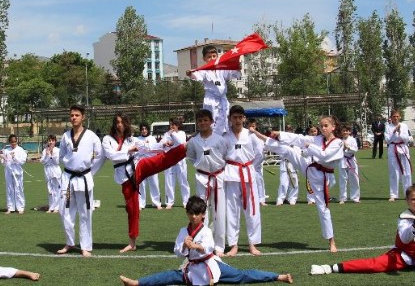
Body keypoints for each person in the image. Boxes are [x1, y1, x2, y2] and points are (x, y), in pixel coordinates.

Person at [119, 196, 293, 286]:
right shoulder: (183, 231)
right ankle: (137, 283)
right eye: (190, 213)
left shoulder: (206, 230)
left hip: (211, 265)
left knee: (242, 276)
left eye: (197, 214)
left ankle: (279, 277)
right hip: (193, 267)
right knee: (169, 276)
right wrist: (184, 247)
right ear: (187, 213)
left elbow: (209, 248)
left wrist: (195, 246)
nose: (193, 216)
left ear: (203, 214)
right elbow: (177, 252)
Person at [251, 116, 343, 253]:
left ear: (333, 127)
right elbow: (299, 139)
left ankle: (331, 241)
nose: (323, 128)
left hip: (322, 177)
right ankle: (262, 137)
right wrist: (280, 134)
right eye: (321, 126)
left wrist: (309, 147)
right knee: (288, 150)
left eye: (326, 126)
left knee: (323, 208)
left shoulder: (338, 143)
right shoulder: (317, 139)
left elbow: (324, 156)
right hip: (309, 167)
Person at [102, 112, 188, 253]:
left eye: (122, 122)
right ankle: (132, 242)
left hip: (137, 167)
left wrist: (163, 145)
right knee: (132, 208)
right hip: (125, 177)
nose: (120, 125)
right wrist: (129, 151)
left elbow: (147, 147)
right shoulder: (107, 139)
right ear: (114, 124)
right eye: (117, 122)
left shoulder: (130, 139)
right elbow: (111, 155)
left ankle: (184, 148)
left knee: (161, 161)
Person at [57, 105, 106, 257]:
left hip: (84, 177)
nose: (74, 118)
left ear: (83, 117)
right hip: (68, 178)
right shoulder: (65, 136)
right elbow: (61, 156)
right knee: (64, 211)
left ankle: (85, 246)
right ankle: (69, 242)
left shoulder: (92, 136)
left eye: (77, 115)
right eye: (71, 115)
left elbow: (100, 155)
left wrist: (90, 172)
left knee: (85, 213)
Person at [222, 105, 264, 256]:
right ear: (230, 119)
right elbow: (221, 156)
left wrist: (251, 167)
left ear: (244, 118)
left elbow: (259, 154)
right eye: (235, 117)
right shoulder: (225, 137)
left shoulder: (251, 135)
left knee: (252, 209)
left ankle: (252, 244)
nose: (238, 120)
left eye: (240, 117)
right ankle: (234, 244)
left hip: (248, 173)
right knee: (231, 210)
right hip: (231, 174)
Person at [186, 109, 229, 256]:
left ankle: (219, 246)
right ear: (197, 123)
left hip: (218, 177)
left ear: (211, 122)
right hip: (202, 177)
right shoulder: (193, 141)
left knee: (219, 211)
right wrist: (201, 164)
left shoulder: (220, 140)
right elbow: (191, 157)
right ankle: (203, 243)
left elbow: (225, 155)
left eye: (206, 120)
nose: (203, 123)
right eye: (200, 121)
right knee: (201, 212)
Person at [186, 45, 241, 135]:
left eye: (214, 56)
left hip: (223, 100)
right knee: (211, 121)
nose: (212, 58)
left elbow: (232, 73)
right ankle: (211, 138)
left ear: (217, 57)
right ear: (204, 58)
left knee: (225, 120)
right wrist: (190, 73)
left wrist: (237, 68)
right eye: (209, 57)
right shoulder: (204, 71)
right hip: (211, 100)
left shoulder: (221, 69)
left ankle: (225, 136)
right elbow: (196, 74)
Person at [384, 110, 413, 202]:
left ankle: (407, 194)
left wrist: (400, 133)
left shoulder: (404, 126)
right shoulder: (388, 127)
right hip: (393, 148)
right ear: (391, 117)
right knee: (394, 172)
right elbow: (388, 140)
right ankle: (394, 194)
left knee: (406, 172)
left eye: (397, 116)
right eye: (393, 116)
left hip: (403, 148)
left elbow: (407, 139)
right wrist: (394, 132)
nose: (395, 118)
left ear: (400, 117)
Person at [162, 117, 190, 209]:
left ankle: (186, 201)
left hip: (180, 160)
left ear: (177, 126)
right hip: (170, 159)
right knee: (169, 181)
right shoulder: (167, 134)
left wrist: (173, 134)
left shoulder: (182, 133)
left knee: (183, 181)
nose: (171, 126)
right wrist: (167, 142)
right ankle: (169, 202)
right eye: (170, 125)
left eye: (173, 125)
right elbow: (163, 143)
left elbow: (181, 142)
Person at [136, 122, 162, 210]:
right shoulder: (137, 139)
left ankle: (156, 203)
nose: (144, 131)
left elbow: (155, 149)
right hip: (142, 163)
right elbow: (137, 152)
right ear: (140, 130)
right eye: (142, 129)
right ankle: (141, 204)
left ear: (148, 130)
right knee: (141, 184)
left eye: (145, 129)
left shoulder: (152, 138)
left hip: (151, 163)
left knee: (154, 182)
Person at [0, 134, 28, 214]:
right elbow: (3, 163)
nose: (13, 143)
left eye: (15, 142)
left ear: (17, 141)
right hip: (8, 172)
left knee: (19, 189)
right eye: (12, 142)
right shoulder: (6, 150)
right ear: (9, 142)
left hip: (17, 172)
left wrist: (14, 158)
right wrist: (4, 159)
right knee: (9, 189)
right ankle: (10, 207)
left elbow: (22, 161)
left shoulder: (20, 150)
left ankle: (20, 207)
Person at [247, 118, 268, 206]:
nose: (252, 128)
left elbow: (261, 149)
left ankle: (261, 199)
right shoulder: (245, 135)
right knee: (249, 181)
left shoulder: (258, 135)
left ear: (256, 127)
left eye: (253, 126)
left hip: (257, 162)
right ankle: (250, 199)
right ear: (247, 126)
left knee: (259, 180)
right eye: (250, 126)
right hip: (249, 162)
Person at [338, 123, 360, 204]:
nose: (345, 132)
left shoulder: (353, 139)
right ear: (341, 132)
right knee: (343, 180)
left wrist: (348, 147)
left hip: (351, 160)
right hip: (342, 160)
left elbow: (355, 149)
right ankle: (343, 198)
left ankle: (355, 197)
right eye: (343, 131)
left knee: (354, 179)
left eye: (346, 131)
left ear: (349, 132)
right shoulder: (339, 141)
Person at [40, 134, 62, 213]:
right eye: (49, 141)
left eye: (52, 141)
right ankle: (51, 207)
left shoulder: (57, 150)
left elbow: (57, 162)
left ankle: (57, 207)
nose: (51, 142)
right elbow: (42, 161)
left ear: (55, 142)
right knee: (50, 189)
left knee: (57, 189)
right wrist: (47, 155)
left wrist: (51, 155)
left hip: (55, 170)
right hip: (48, 170)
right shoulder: (45, 150)